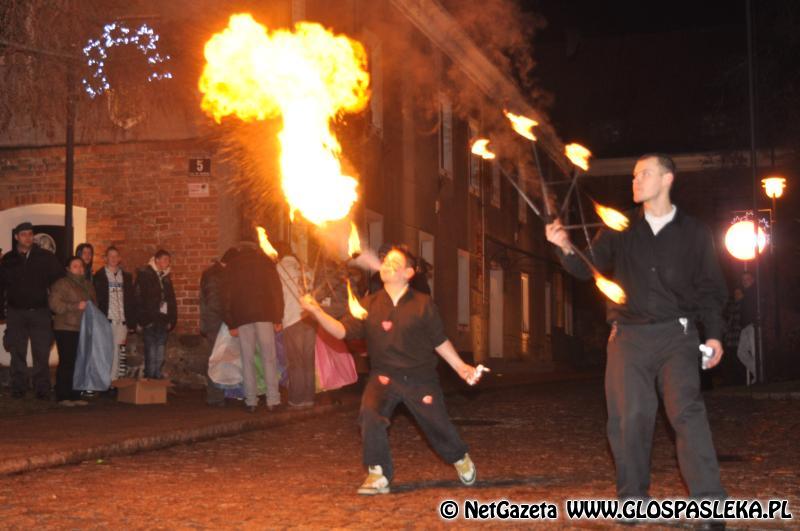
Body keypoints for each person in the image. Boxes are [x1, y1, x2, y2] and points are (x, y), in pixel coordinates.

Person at [546, 154, 728, 527]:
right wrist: (565, 246)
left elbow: (711, 290)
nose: (636, 180)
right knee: (629, 419)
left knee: (686, 414)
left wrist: (714, 336)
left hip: (677, 337)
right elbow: (586, 267)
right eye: (633, 175)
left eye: (645, 173)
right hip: (628, 338)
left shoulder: (695, 233)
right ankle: (632, 500)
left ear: (667, 179)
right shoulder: (619, 226)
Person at [300, 246, 485, 495]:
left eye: (395, 262)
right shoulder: (369, 304)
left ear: (408, 273)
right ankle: (377, 473)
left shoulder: (423, 304)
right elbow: (342, 332)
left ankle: (459, 457)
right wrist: (316, 312)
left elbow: (439, 341)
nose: (386, 264)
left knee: (436, 425)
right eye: (386, 260)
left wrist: (461, 367)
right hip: (384, 376)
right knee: (369, 414)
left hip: (420, 378)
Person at [0, 222, 63, 400]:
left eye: (30, 234)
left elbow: (58, 281)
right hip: (16, 311)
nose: (27, 237)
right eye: (23, 234)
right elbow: (1, 285)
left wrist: (55, 307)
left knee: (41, 351)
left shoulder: (45, 257)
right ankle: (18, 386)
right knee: (17, 351)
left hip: (40, 311)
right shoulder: (8, 259)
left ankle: (42, 387)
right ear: (16, 237)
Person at [223, 242, 284, 412]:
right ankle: (273, 399)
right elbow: (276, 291)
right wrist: (278, 317)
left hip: (242, 316)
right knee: (269, 358)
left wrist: (231, 322)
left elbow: (226, 295)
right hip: (265, 315)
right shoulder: (266, 263)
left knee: (247, 359)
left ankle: (251, 400)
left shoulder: (232, 266)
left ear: (240, 249)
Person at [49, 256, 97, 406]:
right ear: (68, 269)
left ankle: (76, 395)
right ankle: (63, 396)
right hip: (66, 328)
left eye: (81, 266)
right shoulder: (61, 284)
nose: (80, 268)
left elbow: (95, 303)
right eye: (75, 266)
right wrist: (76, 306)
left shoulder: (88, 285)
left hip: (83, 328)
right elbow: (54, 305)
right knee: (67, 362)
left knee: (80, 362)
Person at [274, 241, 315, 409]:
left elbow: (277, 296)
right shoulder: (306, 269)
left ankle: (297, 399)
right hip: (310, 318)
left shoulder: (279, 269)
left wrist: (277, 318)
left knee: (296, 361)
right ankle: (309, 397)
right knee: (308, 361)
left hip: (292, 318)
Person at [199, 248, 238, 406]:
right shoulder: (216, 275)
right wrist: (229, 321)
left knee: (219, 359)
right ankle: (215, 397)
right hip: (215, 323)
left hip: (215, 322)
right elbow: (215, 303)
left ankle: (219, 394)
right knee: (216, 359)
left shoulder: (214, 273)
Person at [93, 246, 137, 381]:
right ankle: (102, 380)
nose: (113, 258)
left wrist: (132, 321)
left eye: (116, 256)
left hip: (122, 321)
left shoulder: (127, 277)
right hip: (107, 320)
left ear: (119, 259)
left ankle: (113, 381)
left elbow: (131, 300)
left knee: (118, 352)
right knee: (105, 351)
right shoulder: (98, 277)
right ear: (105, 258)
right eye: (110, 256)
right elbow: (96, 300)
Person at [135, 249, 177, 379]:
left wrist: (171, 319)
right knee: (151, 351)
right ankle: (150, 380)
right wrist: (143, 320)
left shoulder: (165, 277)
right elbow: (138, 298)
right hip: (150, 320)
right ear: (156, 260)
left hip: (162, 320)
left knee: (160, 352)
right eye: (164, 259)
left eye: (168, 260)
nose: (167, 262)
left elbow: (171, 299)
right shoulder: (145, 275)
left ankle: (157, 380)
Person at [736, 272, 757, 384]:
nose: (745, 281)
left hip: (753, 325)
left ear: (753, 280)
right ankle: (757, 373)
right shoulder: (744, 294)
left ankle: (759, 376)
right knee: (741, 353)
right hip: (744, 327)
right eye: (743, 280)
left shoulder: (755, 292)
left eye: (747, 279)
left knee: (755, 352)